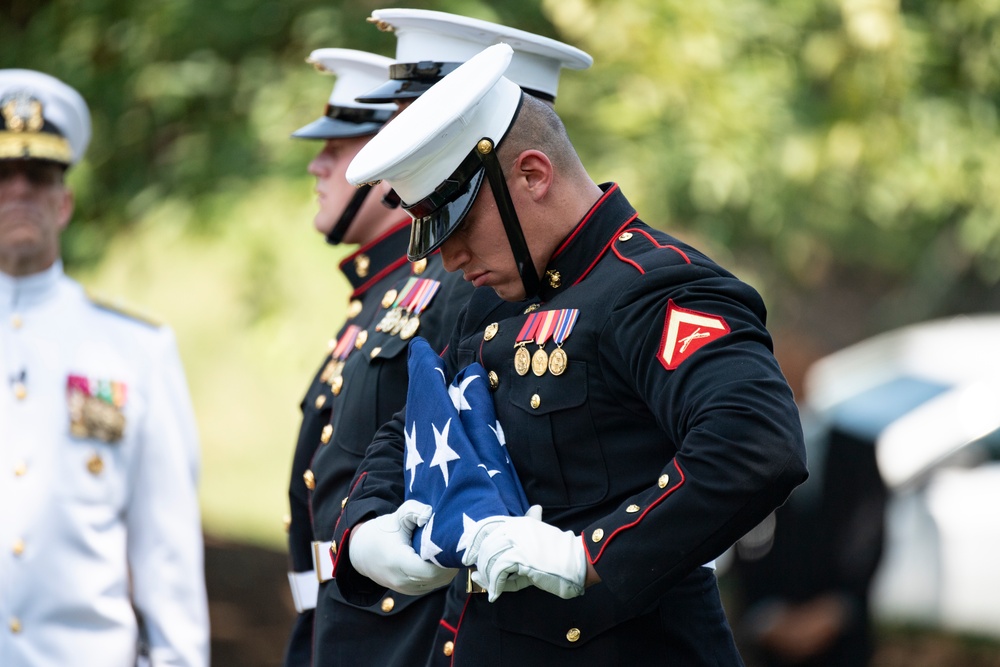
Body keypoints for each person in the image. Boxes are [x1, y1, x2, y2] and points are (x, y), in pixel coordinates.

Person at [328, 44, 809, 665]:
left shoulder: (654, 286)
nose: (449, 259)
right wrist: (365, 529)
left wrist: (588, 555)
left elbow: (755, 441)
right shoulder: (498, 300)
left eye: (461, 225)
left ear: (532, 174)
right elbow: (421, 419)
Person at [292, 11, 594, 667]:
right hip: (357, 615)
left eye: (416, 119)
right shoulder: (410, 284)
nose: (400, 143)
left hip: (415, 631)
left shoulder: (486, 276)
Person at [0, 69, 208, 666]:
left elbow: (166, 546)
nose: (18, 191)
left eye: (37, 177)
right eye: (3, 175)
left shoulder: (134, 349)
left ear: (63, 202)